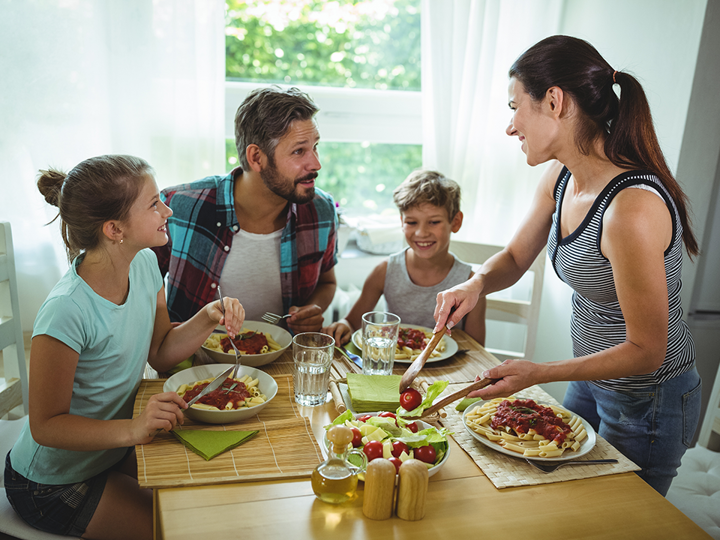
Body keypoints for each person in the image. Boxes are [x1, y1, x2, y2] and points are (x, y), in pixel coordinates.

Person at [433, 35, 701, 496]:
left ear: (554, 101)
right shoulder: (561, 178)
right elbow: (516, 258)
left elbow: (647, 349)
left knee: (614, 521)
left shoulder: (630, 208)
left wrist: (538, 372)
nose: (510, 127)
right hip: (591, 379)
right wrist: (476, 283)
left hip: (648, 402)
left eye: (515, 106)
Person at [4, 155, 244, 539]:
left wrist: (207, 316)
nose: (167, 210)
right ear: (115, 228)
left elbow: (161, 351)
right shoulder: (66, 310)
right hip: (50, 482)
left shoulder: (146, 263)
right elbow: (46, 426)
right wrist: (134, 429)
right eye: (153, 204)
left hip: (111, 452)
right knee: (179, 528)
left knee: (209, 502)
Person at [153, 86, 338, 336]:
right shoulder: (177, 206)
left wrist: (312, 308)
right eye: (298, 151)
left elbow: (328, 282)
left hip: (281, 362)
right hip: (192, 366)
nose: (316, 163)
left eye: (315, 146)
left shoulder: (321, 210)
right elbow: (141, 288)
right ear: (256, 157)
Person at [323, 170, 486, 346]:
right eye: (412, 222)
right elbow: (352, 323)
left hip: (449, 371)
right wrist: (342, 326)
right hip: (393, 368)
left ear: (455, 222)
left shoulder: (470, 284)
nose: (421, 233)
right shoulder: (385, 271)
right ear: (402, 222)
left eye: (434, 222)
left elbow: (476, 349)